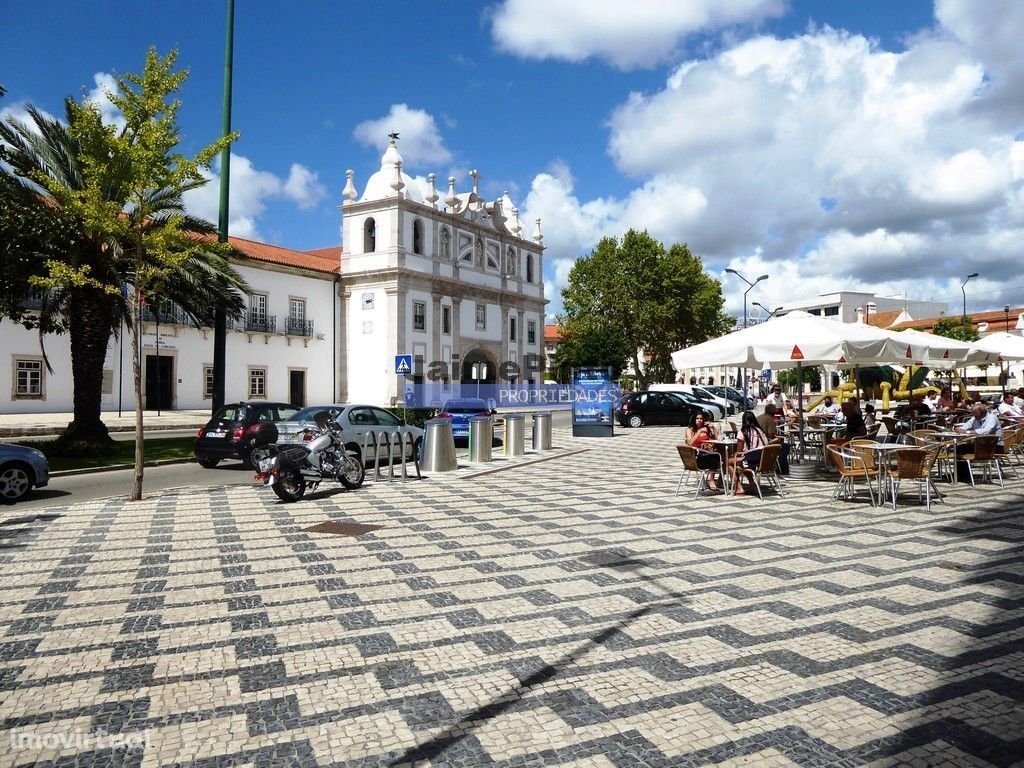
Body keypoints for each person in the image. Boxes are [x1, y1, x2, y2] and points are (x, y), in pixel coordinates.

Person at [733, 410, 769, 496]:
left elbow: (739, 452)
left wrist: (733, 455)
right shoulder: (760, 431)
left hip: (752, 461)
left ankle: (739, 487)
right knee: (741, 461)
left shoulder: (743, 432)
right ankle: (752, 484)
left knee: (730, 462)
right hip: (764, 461)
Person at [684, 412, 723, 491]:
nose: (699, 420)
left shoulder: (706, 429)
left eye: (701, 419)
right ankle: (711, 479)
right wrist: (699, 431)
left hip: (707, 453)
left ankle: (719, 479)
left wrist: (713, 428)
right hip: (696, 457)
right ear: (694, 419)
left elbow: (716, 438)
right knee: (716, 457)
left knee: (723, 456)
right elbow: (690, 443)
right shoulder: (689, 430)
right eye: (697, 418)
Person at [757, 404, 790, 474]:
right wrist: (778, 437)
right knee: (785, 447)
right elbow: (770, 435)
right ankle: (783, 469)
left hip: (757, 442)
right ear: (774, 411)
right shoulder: (770, 420)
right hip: (766, 443)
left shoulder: (758, 417)